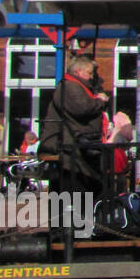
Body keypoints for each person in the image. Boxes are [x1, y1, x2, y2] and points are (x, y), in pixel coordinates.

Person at [39, 55, 109, 192]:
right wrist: (100, 101)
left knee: (83, 187)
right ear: (78, 71)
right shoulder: (70, 86)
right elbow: (80, 108)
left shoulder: (77, 86)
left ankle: (81, 210)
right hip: (69, 148)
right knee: (74, 188)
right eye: (89, 73)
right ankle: (75, 211)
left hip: (76, 148)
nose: (91, 77)